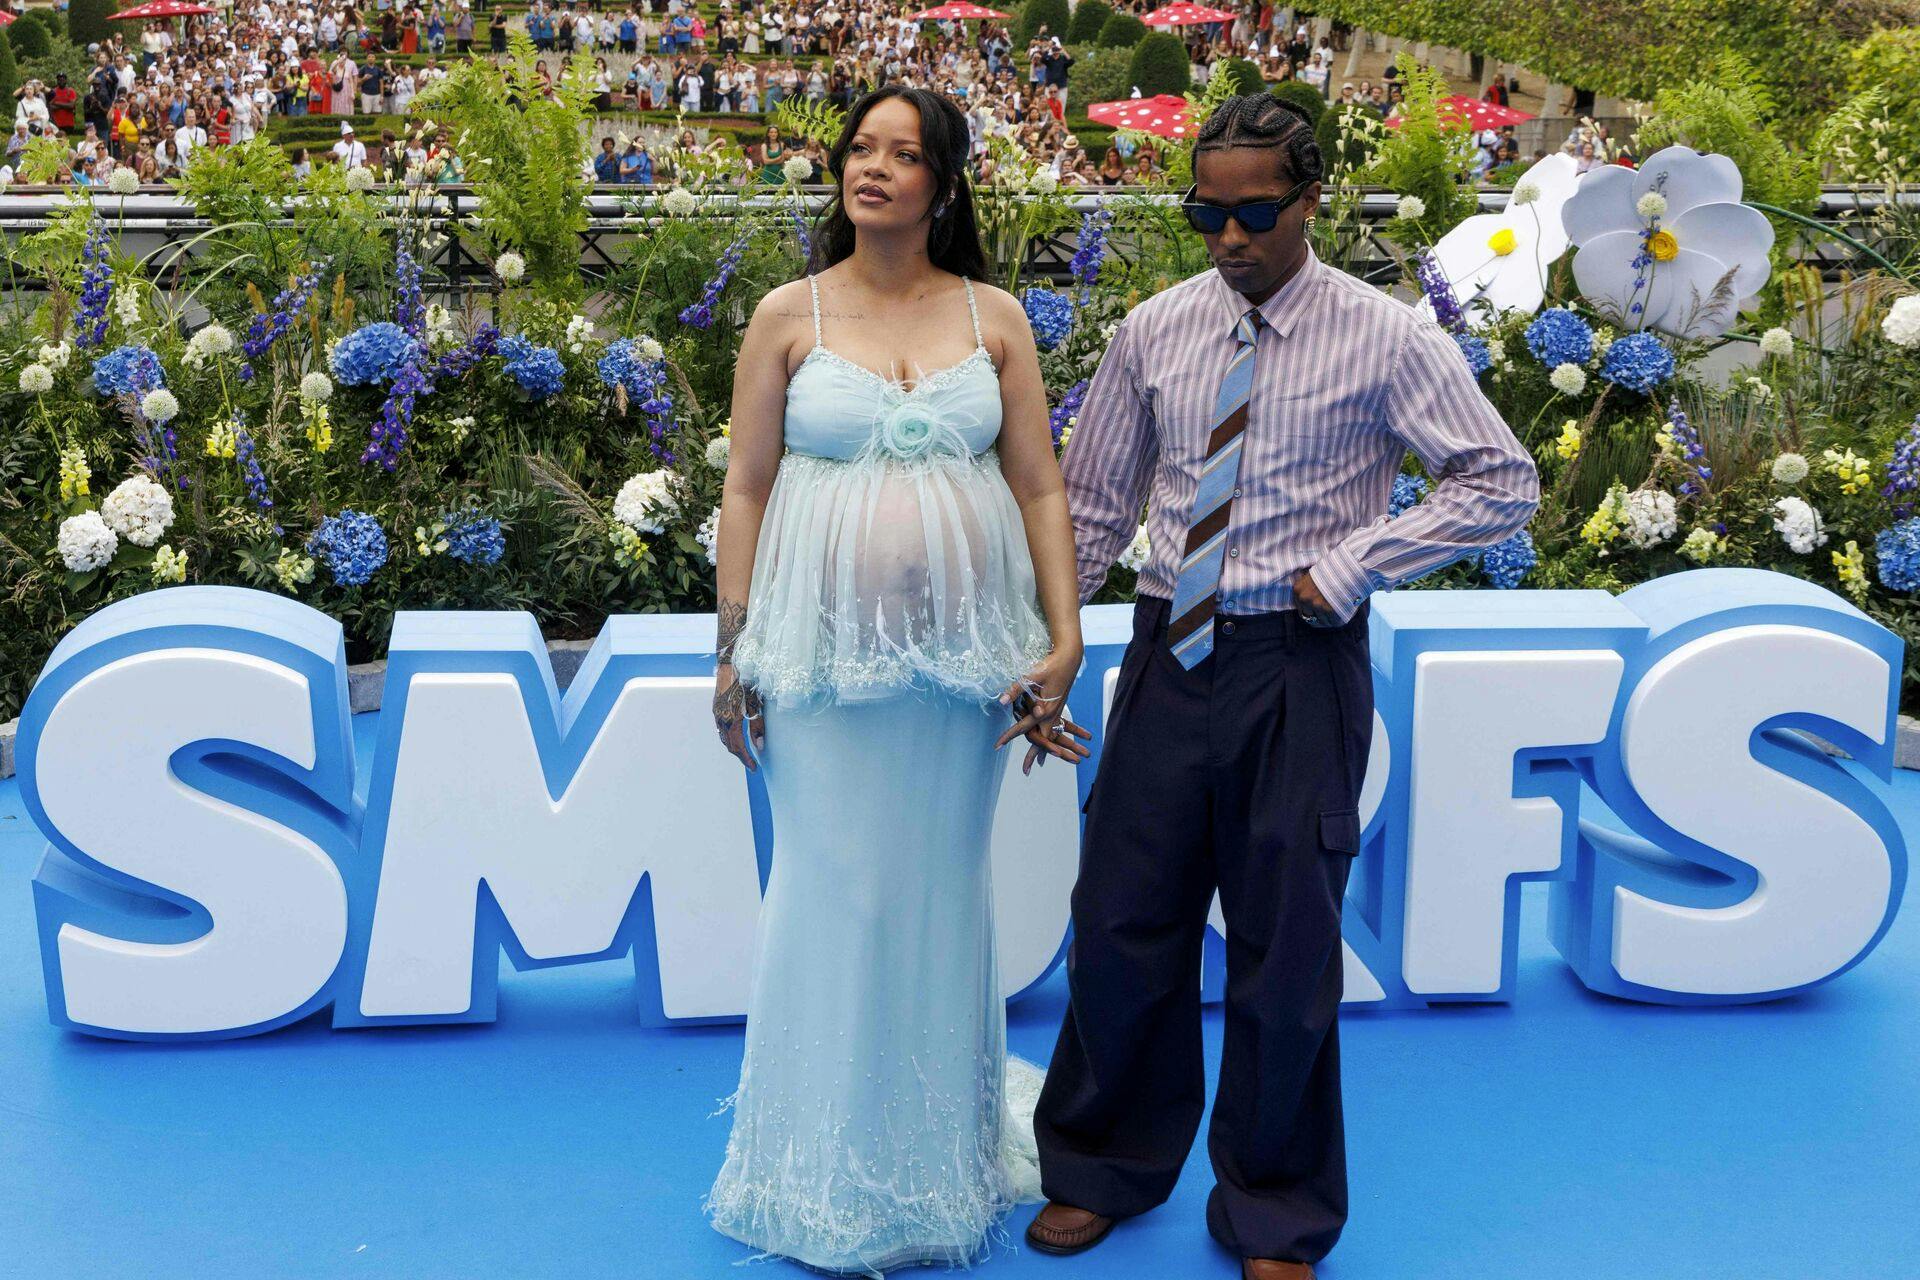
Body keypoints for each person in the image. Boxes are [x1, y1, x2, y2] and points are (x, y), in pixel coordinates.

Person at [1027, 94, 1540, 1280]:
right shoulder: (1154, 330)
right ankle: (1100, 1164)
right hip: (1165, 650)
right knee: (1118, 923)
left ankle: (1273, 1211)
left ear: (1312, 198)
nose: (1228, 235)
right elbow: (1094, 504)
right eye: (1207, 209)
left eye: (1256, 210)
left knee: (1286, 944)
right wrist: (1050, 644)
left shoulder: (1391, 338)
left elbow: (1500, 478)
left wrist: (1360, 562)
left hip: (1297, 665)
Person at [705, 83, 1088, 1275]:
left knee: (935, 896)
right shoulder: (785, 314)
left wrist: (1065, 639)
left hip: (960, 675)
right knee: (834, 891)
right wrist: (729, 648)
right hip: (817, 672)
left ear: (944, 181)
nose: (874, 167)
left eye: (903, 152)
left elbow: (1038, 487)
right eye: (860, 148)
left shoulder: (996, 319)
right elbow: (747, 488)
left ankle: (937, 1157)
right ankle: (818, 1166)